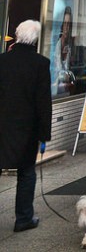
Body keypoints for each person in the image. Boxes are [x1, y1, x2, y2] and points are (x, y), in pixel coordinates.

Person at [0, 19, 52, 233]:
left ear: (16, 35)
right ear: (36, 40)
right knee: (26, 172)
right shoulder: (41, 63)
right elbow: (43, 101)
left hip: (1, 125)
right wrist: (44, 133)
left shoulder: (2, 61)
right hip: (26, 128)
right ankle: (23, 218)